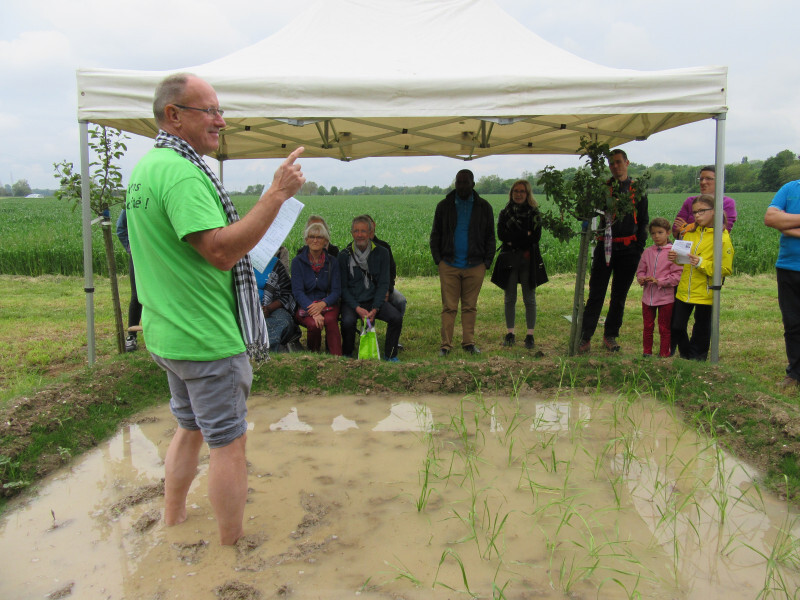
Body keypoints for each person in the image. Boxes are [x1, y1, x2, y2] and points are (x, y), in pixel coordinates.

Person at [125, 73, 305, 545]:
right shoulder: (183, 174)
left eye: (220, 111)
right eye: (210, 111)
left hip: (167, 332)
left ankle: (173, 518)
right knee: (229, 443)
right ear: (174, 115)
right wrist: (276, 195)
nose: (221, 121)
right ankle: (231, 550)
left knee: (189, 429)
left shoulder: (148, 168)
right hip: (205, 338)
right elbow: (221, 251)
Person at [579, 149, 649, 353]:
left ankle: (610, 334)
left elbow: (643, 220)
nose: (615, 166)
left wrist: (639, 247)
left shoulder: (637, 190)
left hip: (628, 248)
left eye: (618, 162)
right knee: (596, 293)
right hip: (605, 246)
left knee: (619, 296)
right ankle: (585, 336)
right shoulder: (603, 189)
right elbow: (589, 211)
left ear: (627, 162)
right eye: (611, 163)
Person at [429, 169, 495, 356]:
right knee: (449, 307)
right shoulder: (444, 206)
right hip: (449, 264)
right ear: (455, 183)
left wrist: (486, 262)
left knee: (470, 307)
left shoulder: (484, 207)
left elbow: (490, 236)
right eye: (459, 182)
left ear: (473, 184)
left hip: (475, 265)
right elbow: (435, 235)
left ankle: (468, 343)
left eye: (466, 182)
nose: (462, 186)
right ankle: (445, 345)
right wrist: (439, 260)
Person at [668, 195, 734, 361]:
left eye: (701, 211)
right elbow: (684, 260)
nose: (697, 215)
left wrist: (701, 263)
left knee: (701, 328)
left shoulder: (722, 238)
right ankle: (686, 354)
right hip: (685, 289)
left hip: (706, 291)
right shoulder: (690, 234)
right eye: (695, 212)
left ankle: (697, 358)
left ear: (714, 211)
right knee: (676, 326)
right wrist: (675, 258)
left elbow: (725, 269)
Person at [493, 179, 548, 349]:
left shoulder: (534, 214)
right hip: (509, 260)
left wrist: (513, 239)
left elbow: (535, 238)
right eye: (515, 191)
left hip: (528, 260)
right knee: (509, 298)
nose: (518, 194)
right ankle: (510, 333)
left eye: (522, 191)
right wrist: (525, 234)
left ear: (527, 193)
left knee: (529, 298)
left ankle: (530, 335)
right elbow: (501, 235)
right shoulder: (505, 213)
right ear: (511, 193)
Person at [339, 215, 403, 361]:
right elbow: (343, 288)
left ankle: (390, 355)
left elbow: (383, 284)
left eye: (363, 231)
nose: (359, 235)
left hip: (374, 301)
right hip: (353, 303)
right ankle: (348, 354)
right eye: (356, 231)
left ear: (370, 233)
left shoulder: (382, 253)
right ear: (351, 233)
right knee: (347, 322)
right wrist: (357, 308)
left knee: (396, 318)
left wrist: (375, 308)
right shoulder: (343, 256)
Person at [764, 179, 800, 389]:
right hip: (788, 266)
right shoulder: (790, 188)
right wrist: (781, 225)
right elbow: (770, 219)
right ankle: (795, 373)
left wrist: (787, 225)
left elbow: (781, 223)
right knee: (792, 323)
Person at [291, 222, 343, 355]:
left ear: (325, 241)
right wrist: (313, 310)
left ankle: (337, 358)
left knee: (330, 320)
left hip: (327, 303)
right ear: (306, 240)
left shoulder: (332, 262)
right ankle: (314, 356)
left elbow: (336, 291)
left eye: (319, 237)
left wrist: (322, 304)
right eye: (312, 237)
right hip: (305, 305)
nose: (315, 240)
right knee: (314, 324)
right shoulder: (297, 262)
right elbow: (297, 291)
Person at [635, 217, 682, 357]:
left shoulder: (673, 253)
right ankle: (646, 352)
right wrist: (641, 279)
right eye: (653, 233)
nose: (656, 236)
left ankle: (664, 353)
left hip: (665, 298)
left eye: (660, 232)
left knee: (664, 327)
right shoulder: (647, 252)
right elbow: (641, 270)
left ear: (668, 232)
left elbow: (677, 276)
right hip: (647, 297)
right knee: (647, 326)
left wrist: (659, 281)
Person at [364, 214, 407, 347]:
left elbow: (391, 272)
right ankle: (368, 340)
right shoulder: (353, 248)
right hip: (364, 292)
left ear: (374, 226)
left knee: (400, 300)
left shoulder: (384, 247)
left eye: (370, 226)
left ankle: (394, 338)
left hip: (384, 289)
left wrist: (388, 290)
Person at [254, 248, 301, 353]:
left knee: (283, 321)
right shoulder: (239, 264)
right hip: (245, 309)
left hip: (272, 310)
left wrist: (268, 309)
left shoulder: (276, 264)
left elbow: (286, 293)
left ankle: (268, 349)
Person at [673, 166, 737, 238]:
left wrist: (687, 227)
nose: (703, 182)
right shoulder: (690, 201)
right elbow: (675, 231)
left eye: (708, 179)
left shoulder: (726, 203)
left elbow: (722, 231)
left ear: (719, 181)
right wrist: (705, 227)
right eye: (701, 179)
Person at [115, 209, 142, 352]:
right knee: (137, 295)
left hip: (158, 255)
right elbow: (120, 228)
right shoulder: (131, 205)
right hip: (138, 256)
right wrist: (130, 248)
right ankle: (131, 336)